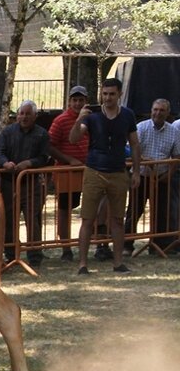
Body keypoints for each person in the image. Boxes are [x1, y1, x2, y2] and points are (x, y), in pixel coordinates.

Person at [70, 78, 143, 274]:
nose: (107, 97)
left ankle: (118, 262)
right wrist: (79, 119)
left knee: (118, 219)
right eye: (104, 94)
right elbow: (74, 138)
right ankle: (82, 264)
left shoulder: (127, 115)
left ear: (119, 94)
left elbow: (135, 144)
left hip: (118, 173)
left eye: (111, 94)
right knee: (87, 219)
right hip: (94, 171)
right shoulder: (92, 116)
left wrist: (136, 171)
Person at [0, 100, 51, 267]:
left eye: (28, 114)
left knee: (33, 219)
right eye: (21, 113)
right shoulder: (7, 132)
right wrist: (5, 163)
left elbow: (44, 157)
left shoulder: (42, 134)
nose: (24, 117)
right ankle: (11, 254)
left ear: (35, 116)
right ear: (17, 114)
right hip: (8, 183)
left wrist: (29, 163)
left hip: (31, 183)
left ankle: (35, 255)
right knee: (9, 220)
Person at [124, 99, 180, 255]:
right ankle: (127, 245)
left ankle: (160, 245)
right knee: (134, 212)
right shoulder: (141, 127)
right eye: (155, 109)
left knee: (163, 212)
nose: (158, 113)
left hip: (162, 177)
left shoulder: (173, 131)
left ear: (168, 113)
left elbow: (176, 156)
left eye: (162, 110)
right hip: (141, 177)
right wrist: (144, 163)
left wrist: (168, 174)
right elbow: (131, 152)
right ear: (151, 110)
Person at [48, 85, 91, 261]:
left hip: (89, 170)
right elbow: (49, 145)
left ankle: (97, 244)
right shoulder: (61, 120)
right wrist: (68, 159)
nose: (78, 103)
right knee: (65, 209)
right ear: (69, 101)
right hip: (66, 171)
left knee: (91, 209)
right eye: (75, 100)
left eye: (81, 100)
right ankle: (66, 247)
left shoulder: (92, 119)